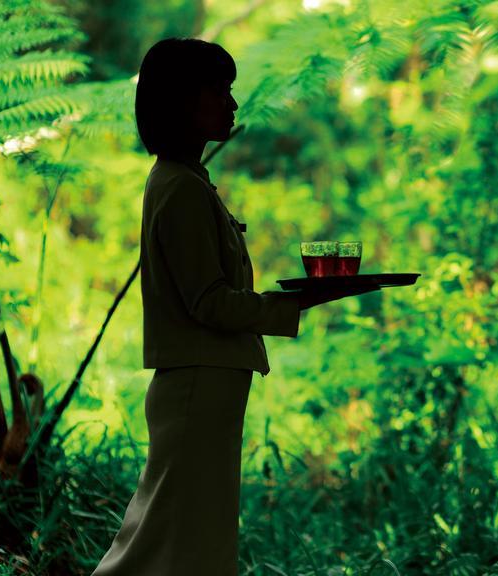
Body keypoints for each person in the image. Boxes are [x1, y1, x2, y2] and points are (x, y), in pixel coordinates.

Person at [90, 38, 376, 576]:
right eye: (219, 91)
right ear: (182, 102)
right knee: (169, 540)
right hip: (199, 384)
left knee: (185, 534)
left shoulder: (184, 181)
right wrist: (294, 303)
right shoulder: (180, 189)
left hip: (205, 385)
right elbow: (209, 303)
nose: (232, 103)